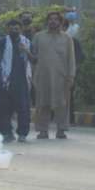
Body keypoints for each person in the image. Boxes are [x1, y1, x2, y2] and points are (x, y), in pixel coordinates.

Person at [31, 11, 77, 139]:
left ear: (60, 22)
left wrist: (71, 76)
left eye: (56, 19)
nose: (53, 21)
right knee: (42, 103)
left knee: (62, 104)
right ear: (47, 21)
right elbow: (32, 56)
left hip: (61, 77)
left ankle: (61, 129)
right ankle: (42, 130)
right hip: (42, 76)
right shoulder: (39, 37)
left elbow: (71, 58)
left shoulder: (67, 38)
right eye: (50, 19)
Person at [0, 20, 34, 143]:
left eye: (16, 28)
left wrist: (26, 50)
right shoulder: (3, 41)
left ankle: (22, 133)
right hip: (5, 80)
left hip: (21, 80)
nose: (14, 31)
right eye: (11, 28)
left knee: (23, 109)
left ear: (20, 29)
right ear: (7, 29)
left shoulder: (26, 42)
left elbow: (35, 59)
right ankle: (6, 133)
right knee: (4, 108)